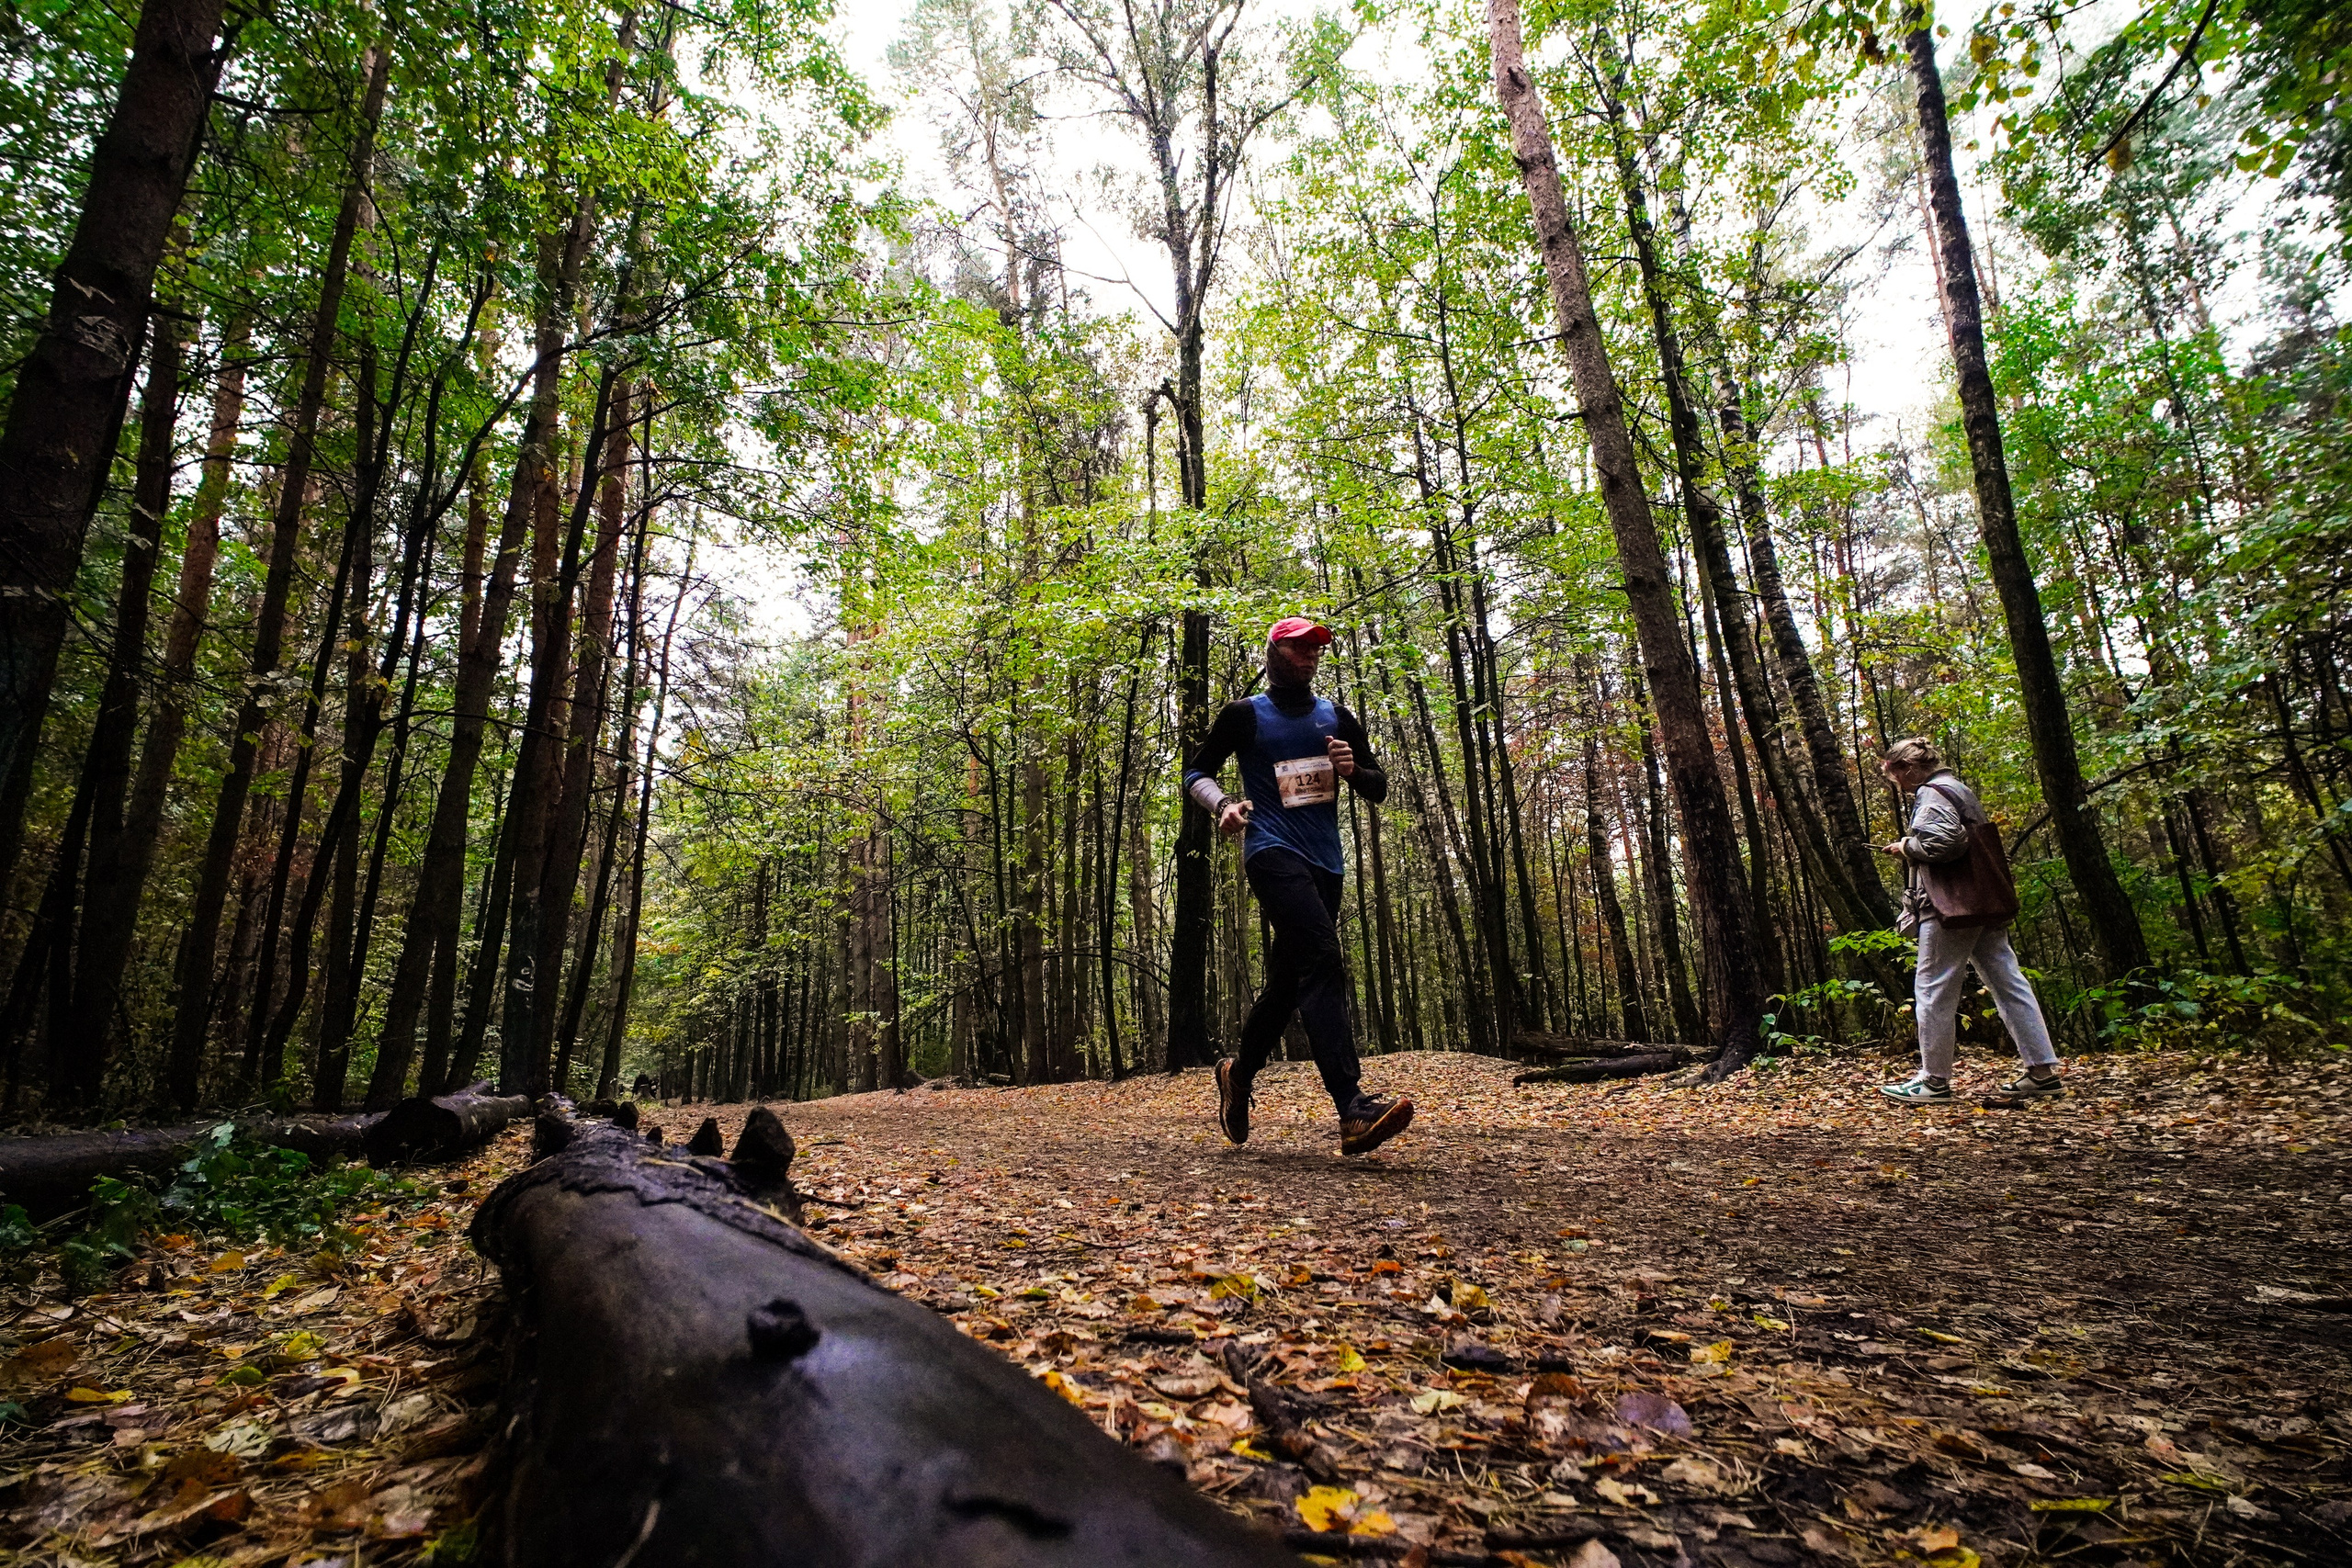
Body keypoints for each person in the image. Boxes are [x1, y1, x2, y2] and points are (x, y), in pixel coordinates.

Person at [1182, 616, 1416, 1155]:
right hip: (1270, 850)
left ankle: (1238, 1074)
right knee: (1323, 957)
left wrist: (1353, 770)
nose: (1310, 655)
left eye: (1316, 648)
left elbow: (1378, 787)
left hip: (1326, 864)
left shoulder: (1336, 716)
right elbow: (1197, 773)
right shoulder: (1244, 715)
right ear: (1273, 654)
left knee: (1291, 981)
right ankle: (1353, 1107)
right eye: (1298, 648)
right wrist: (1224, 805)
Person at [1876, 738, 2064, 1105]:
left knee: (1932, 987)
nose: (1896, 785)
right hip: (1983, 900)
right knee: (2007, 981)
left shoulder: (1931, 793)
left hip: (1949, 906)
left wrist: (1906, 847)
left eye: (1894, 775)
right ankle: (2042, 1071)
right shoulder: (1959, 790)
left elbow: (1944, 843)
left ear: (1908, 769)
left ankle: (1934, 1081)